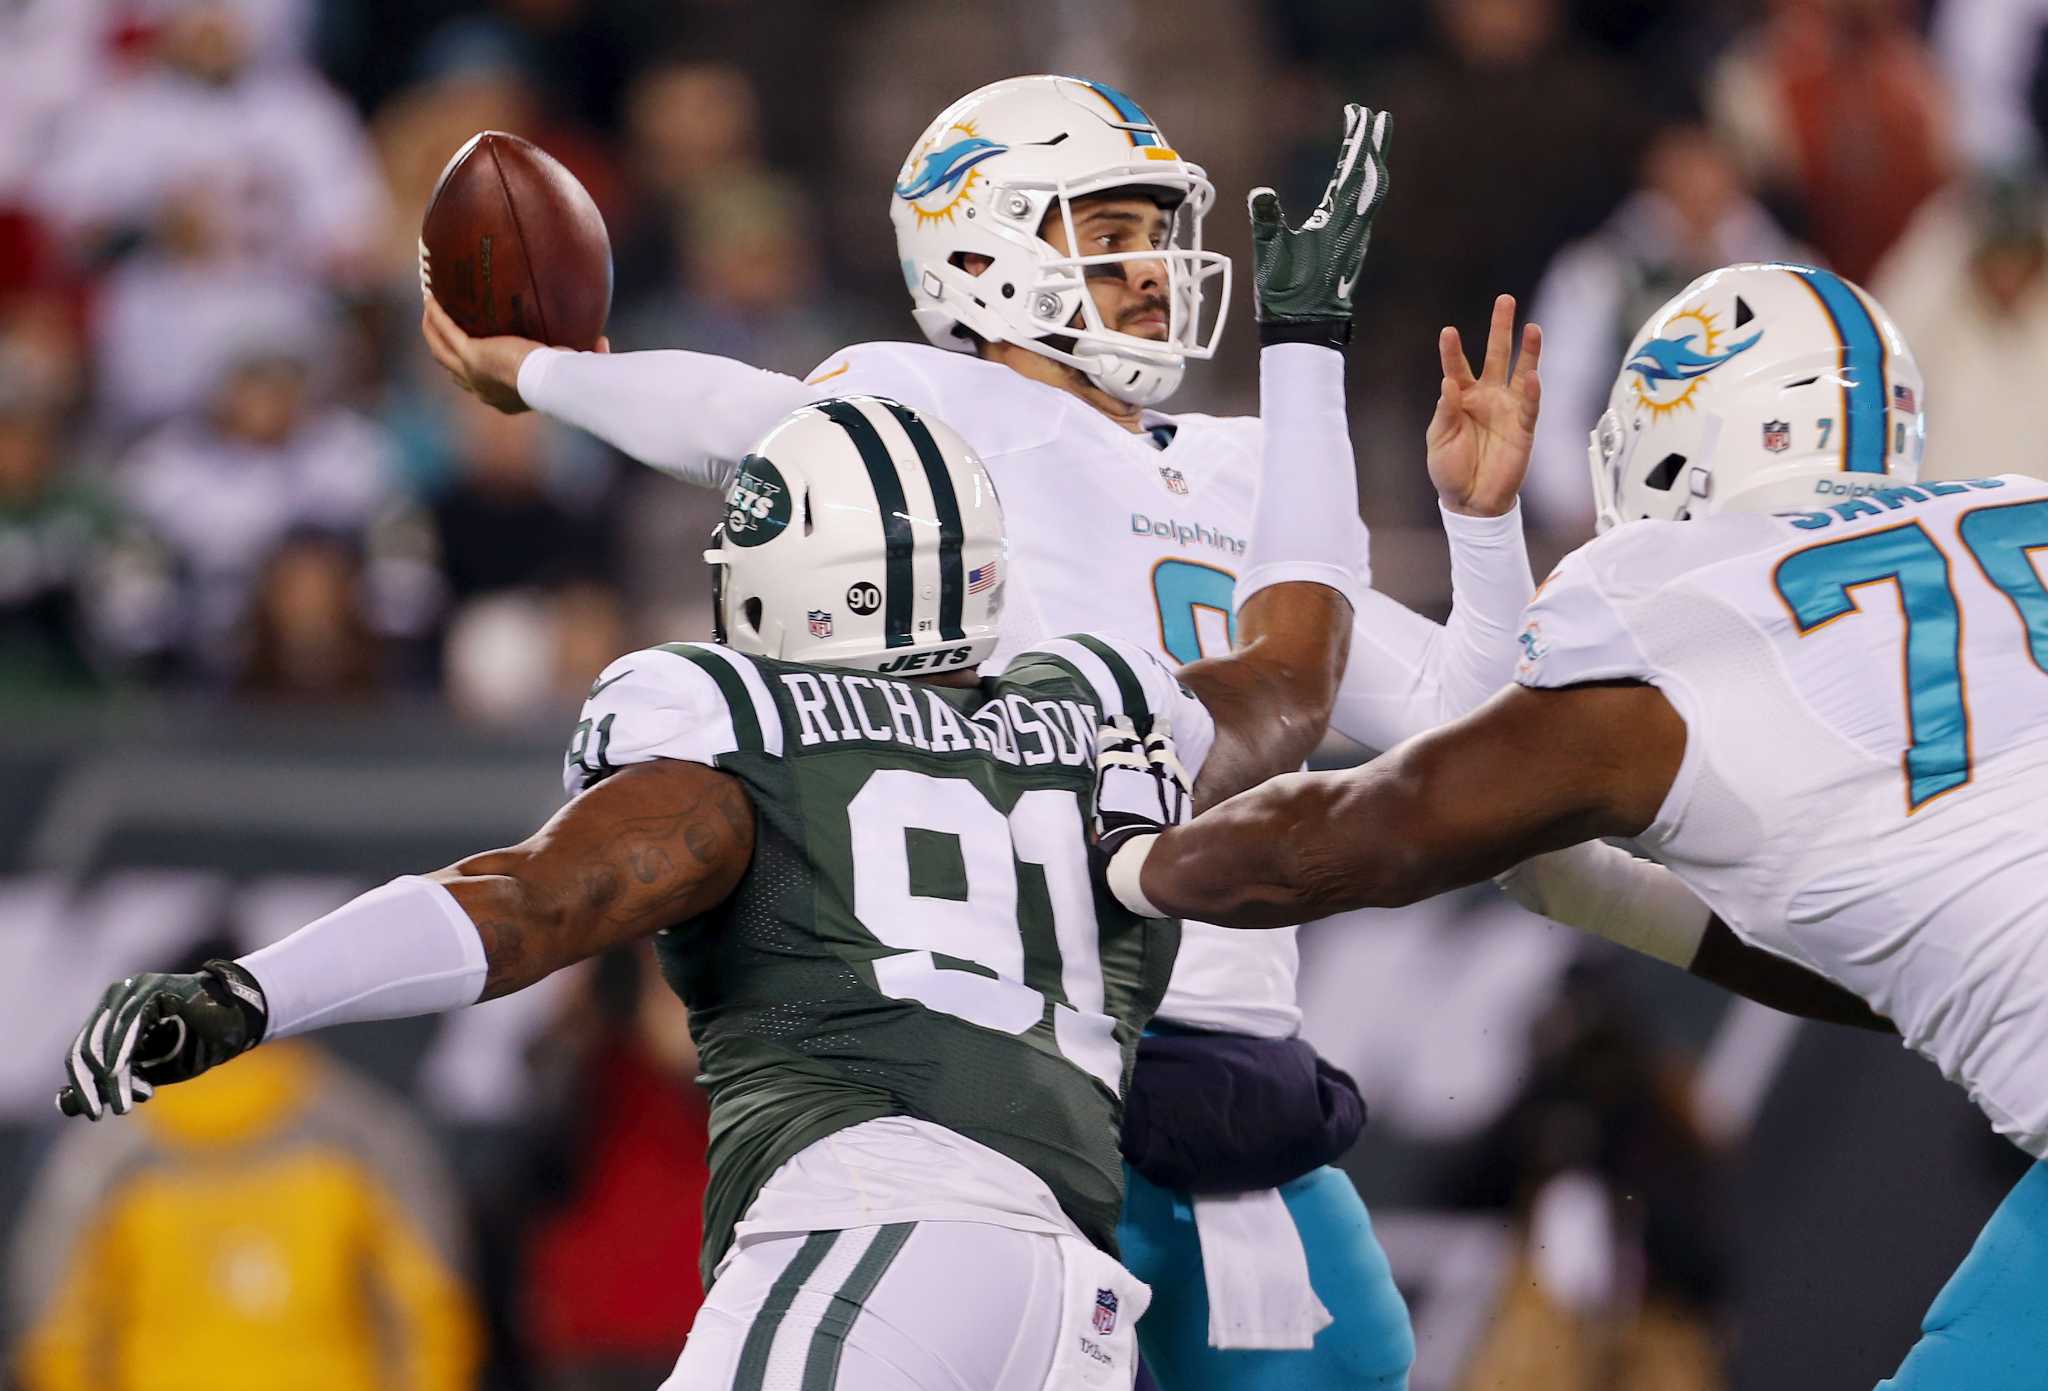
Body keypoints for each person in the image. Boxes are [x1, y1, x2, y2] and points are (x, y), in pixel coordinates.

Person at [53, 205, 1376, 1390]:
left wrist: (254, 991)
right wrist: (1310, 360)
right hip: (1069, 1292)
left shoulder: (747, 725)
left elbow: (522, 904)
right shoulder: (1092, 711)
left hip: (880, 1229)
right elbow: (1299, 686)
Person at [423, 77, 1542, 1388]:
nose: (1153, 268)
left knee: (1361, 1361)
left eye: (1157, 227)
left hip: (1245, 1071)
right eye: (1108, 228)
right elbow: (734, 417)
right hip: (1031, 1057)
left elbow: (1470, 722)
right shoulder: (934, 404)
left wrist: (1482, 524)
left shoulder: (1254, 463)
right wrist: (540, 373)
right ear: (979, 251)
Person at [1096, 261, 2048, 1390]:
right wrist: (1614, 896)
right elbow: (1905, 981)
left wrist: (1130, 861)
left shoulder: (1676, 596)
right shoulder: (2016, 511)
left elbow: (1373, 826)